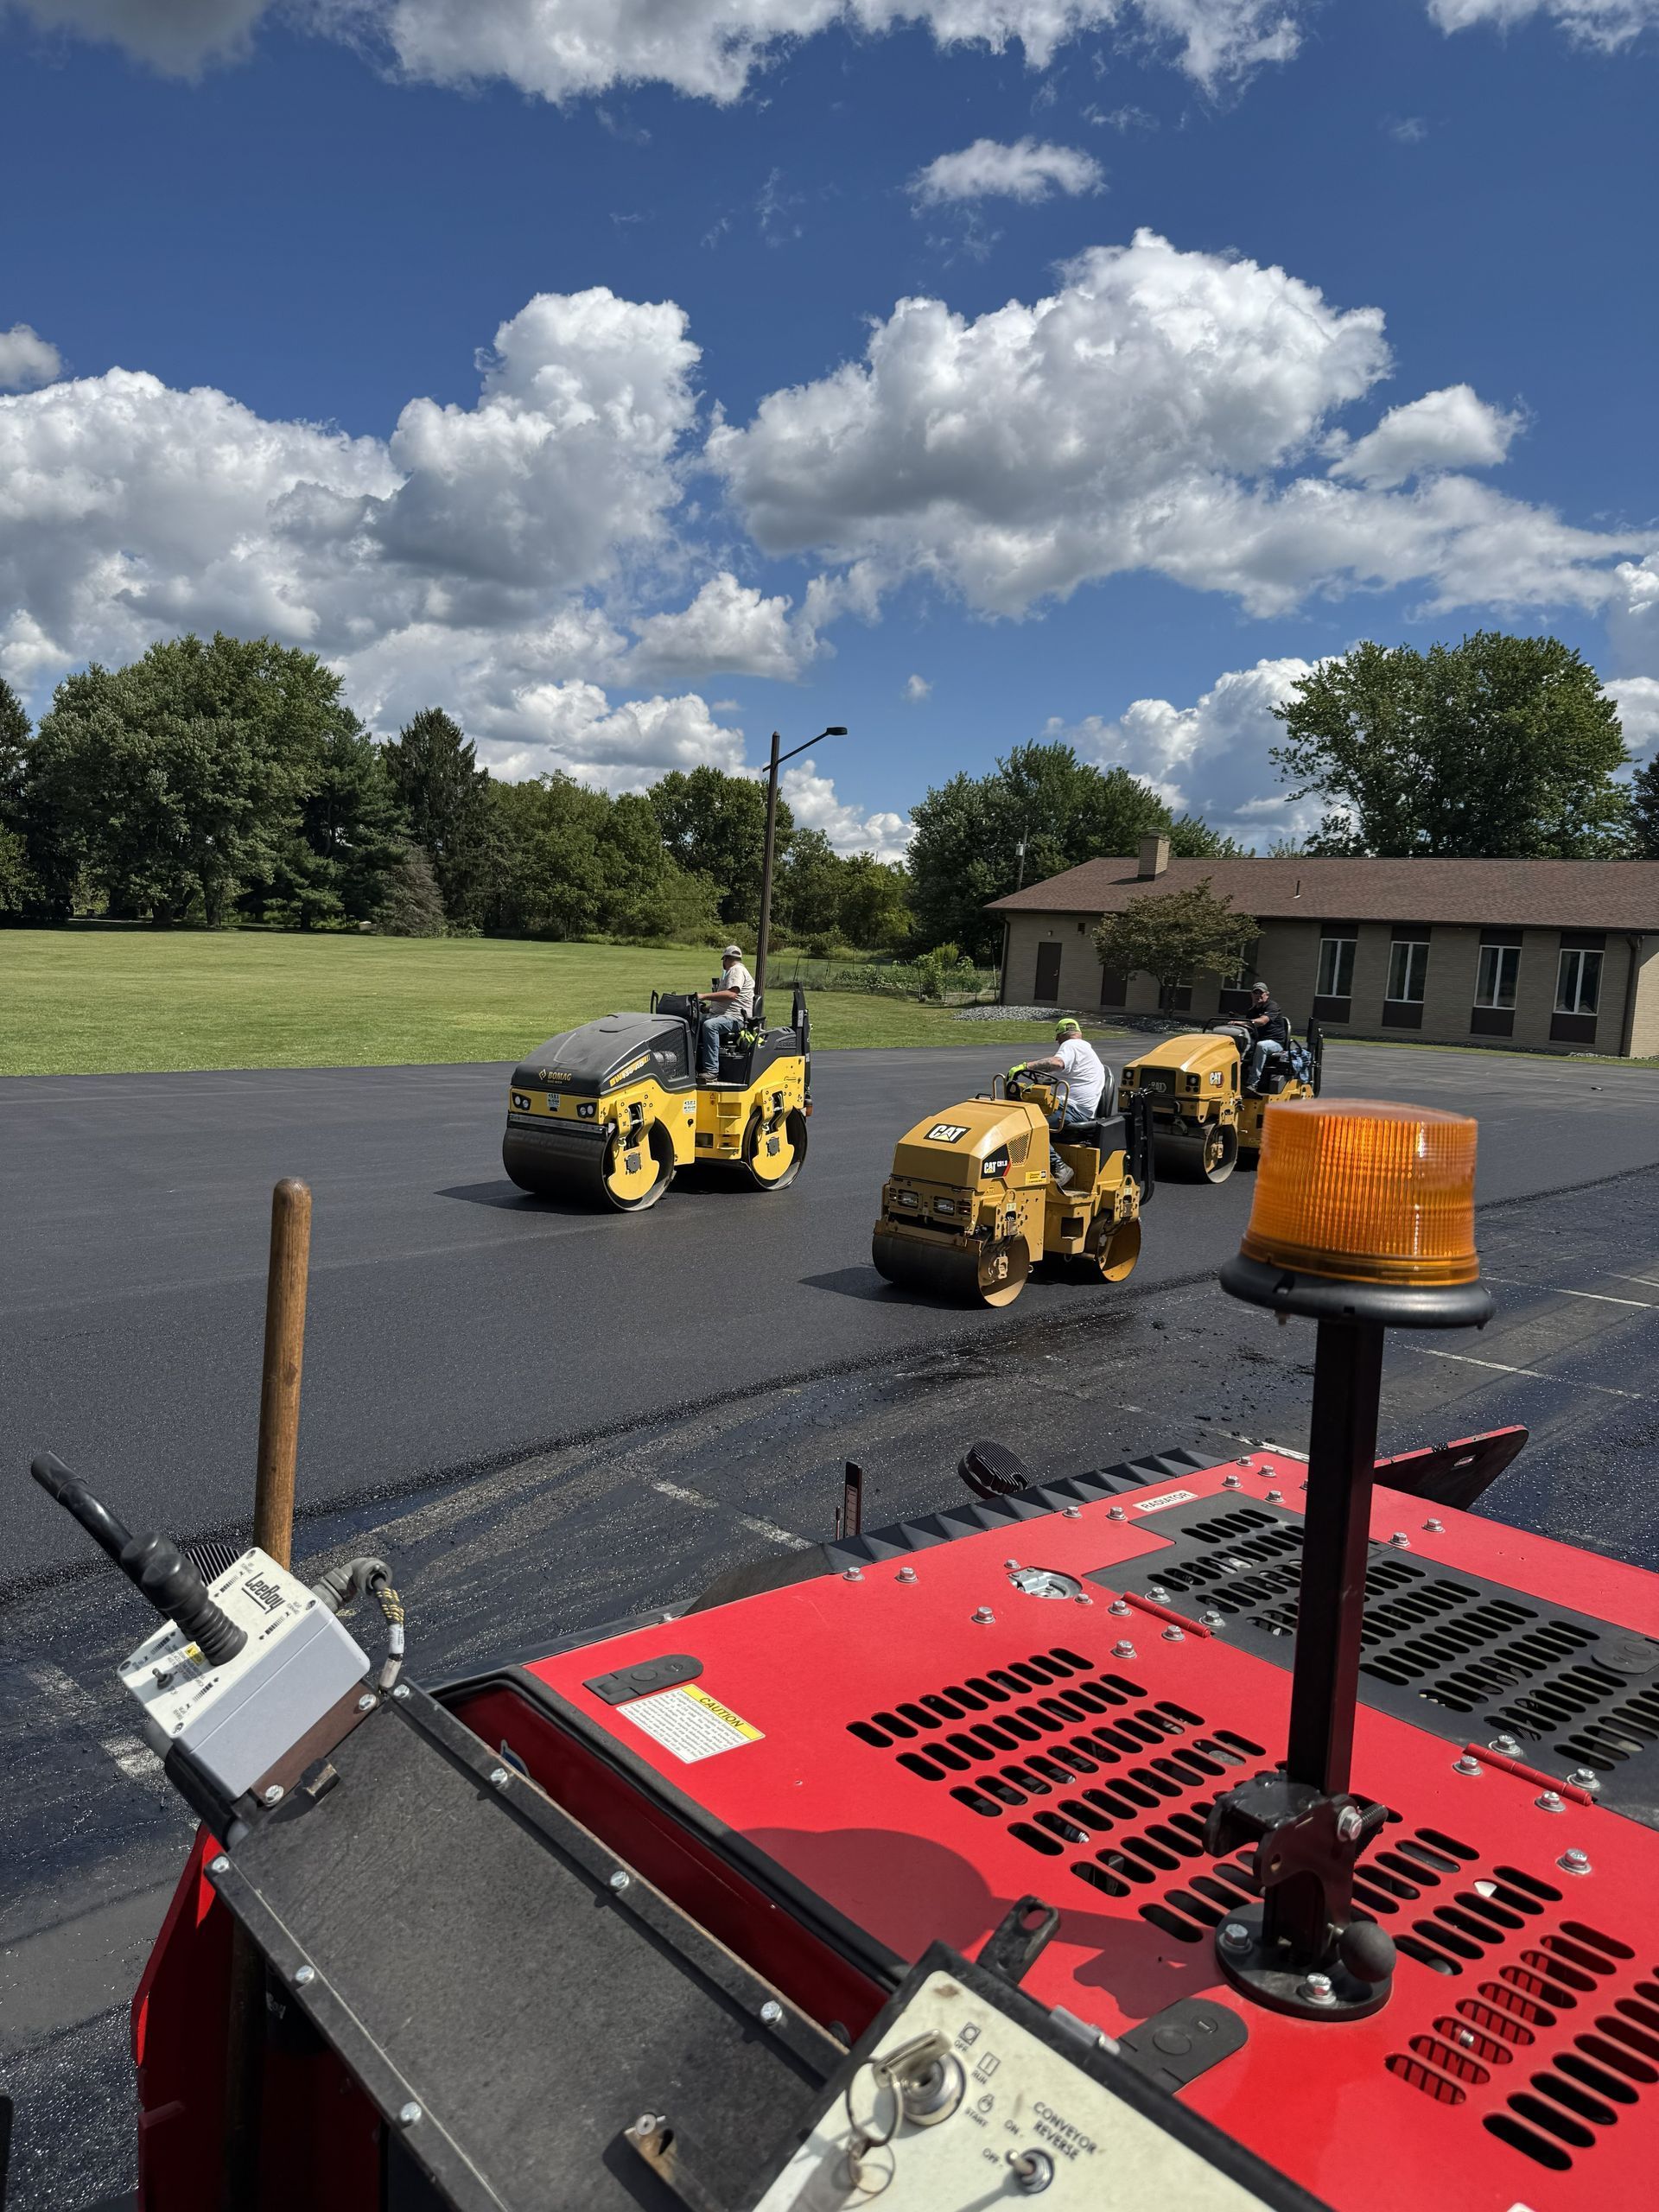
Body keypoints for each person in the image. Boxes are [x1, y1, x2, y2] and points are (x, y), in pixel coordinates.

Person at [1013, 1017, 1109, 1188]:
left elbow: (1057, 1063)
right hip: (1076, 1108)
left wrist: (1026, 1066)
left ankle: (1059, 1166)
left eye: (1057, 1039)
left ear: (1060, 1037)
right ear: (1079, 1033)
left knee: (1024, 1126)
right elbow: (1054, 1078)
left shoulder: (1072, 1045)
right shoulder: (1087, 1052)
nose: (1057, 1042)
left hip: (1071, 1109)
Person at [696, 944, 756, 1077]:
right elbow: (728, 1001)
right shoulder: (734, 971)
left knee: (710, 1026)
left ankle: (712, 1070)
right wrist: (707, 1008)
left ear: (726, 959)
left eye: (723, 960)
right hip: (723, 1014)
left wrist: (703, 996)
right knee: (694, 1020)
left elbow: (731, 994)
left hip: (736, 1018)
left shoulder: (736, 970)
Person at [1241, 981, 1291, 1092]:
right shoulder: (1252, 1011)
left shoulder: (1272, 1006)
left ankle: (1253, 1083)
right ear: (1251, 995)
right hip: (1258, 1039)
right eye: (1255, 993)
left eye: (1261, 993)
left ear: (1267, 994)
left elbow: (1262, 1021)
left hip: (1276, 1042)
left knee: (1261, 1046)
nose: (1258, 995)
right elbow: (1249, 1028)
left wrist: (1241, 1023)